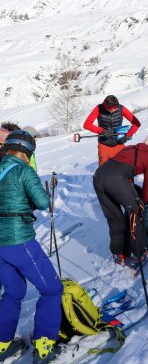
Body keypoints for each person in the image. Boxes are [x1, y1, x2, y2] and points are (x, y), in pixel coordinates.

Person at [0, 130, 63, 363]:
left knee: (14, 291)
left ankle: (2, 342)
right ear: (27, 151)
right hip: (19, 242)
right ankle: (45, 346)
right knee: (52, 289)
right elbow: (43, 202)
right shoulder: (24, 170)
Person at [93, 133, 148, 267]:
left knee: (115, 218)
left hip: (98, 177)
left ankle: (118, 253)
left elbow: (121, 170)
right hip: (116, 180)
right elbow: (147, 189)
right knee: (136, 213)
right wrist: (143, 203)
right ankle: (137, 253)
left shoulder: (130, 148)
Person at [83, 95, 141, 166]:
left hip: (119, 143)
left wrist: (127, 136)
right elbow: (87, 124)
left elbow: (137, 124)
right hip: (104, 144)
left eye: (116, 107)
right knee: (103, 170)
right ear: (106, 106)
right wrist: (101, 131)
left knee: (123, 168)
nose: (114, 109)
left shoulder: (121, 108)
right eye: (112, 108)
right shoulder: (98, 108)